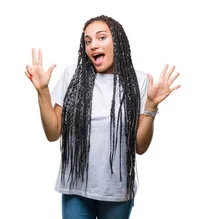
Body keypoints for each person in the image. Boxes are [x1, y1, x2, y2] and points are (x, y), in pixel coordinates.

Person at [24, 15, 181, 219]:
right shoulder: (72, 75)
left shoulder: (139, 81)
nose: (93, 46)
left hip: (116, 191)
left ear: (118, 41)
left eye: (101, 38)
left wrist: (151, 106)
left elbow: (140, 147)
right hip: (75, 189)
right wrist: (43, 91)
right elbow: (53, 133)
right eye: (87, 41)